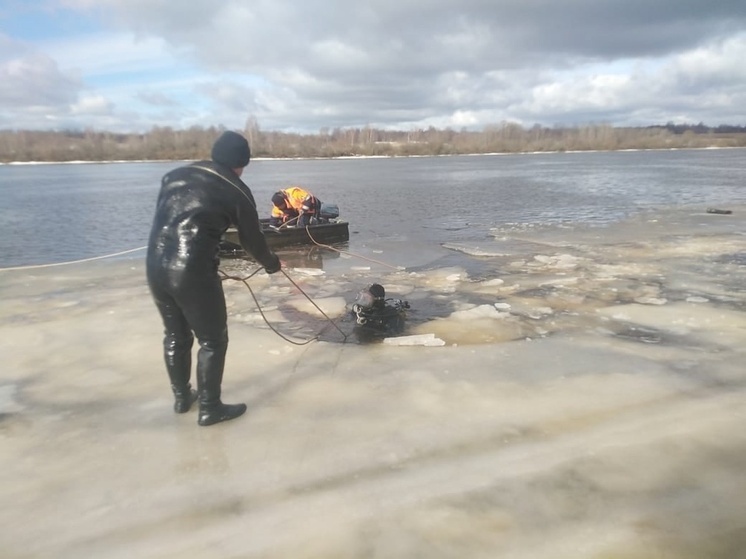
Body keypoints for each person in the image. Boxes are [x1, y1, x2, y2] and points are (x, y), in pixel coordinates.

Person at [146, 130, 281, 426]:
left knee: (175, 335)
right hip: (192, 272)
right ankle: (210, 407)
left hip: (155, 264)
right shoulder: (237, 190)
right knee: (213, 340)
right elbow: (252, 241)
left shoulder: (173, 176)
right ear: (241, 162)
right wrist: (272, 264)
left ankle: (182, 398)